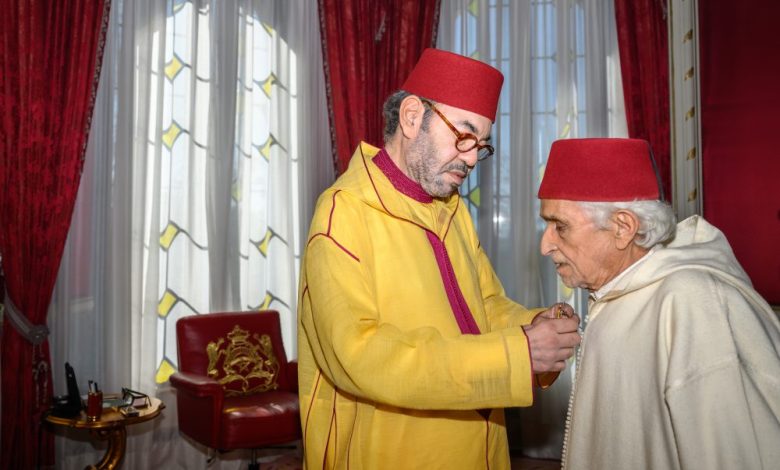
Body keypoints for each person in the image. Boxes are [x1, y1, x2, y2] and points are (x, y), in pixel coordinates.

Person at [297, 48, 581, 469]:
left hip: (479, 448)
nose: (471, 158)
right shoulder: (344, 213)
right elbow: (359, 356)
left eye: (481, 145)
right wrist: (515, 354)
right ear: (412, 117)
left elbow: (484, 305)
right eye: (464, 135)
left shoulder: (452, 209)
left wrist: (532, 325)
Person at [537, 137, 780, 470]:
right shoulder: (619, 292)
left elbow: (727, 455)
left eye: (560, 226)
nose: (545, 245)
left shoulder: (691, 302)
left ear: (623, 228)